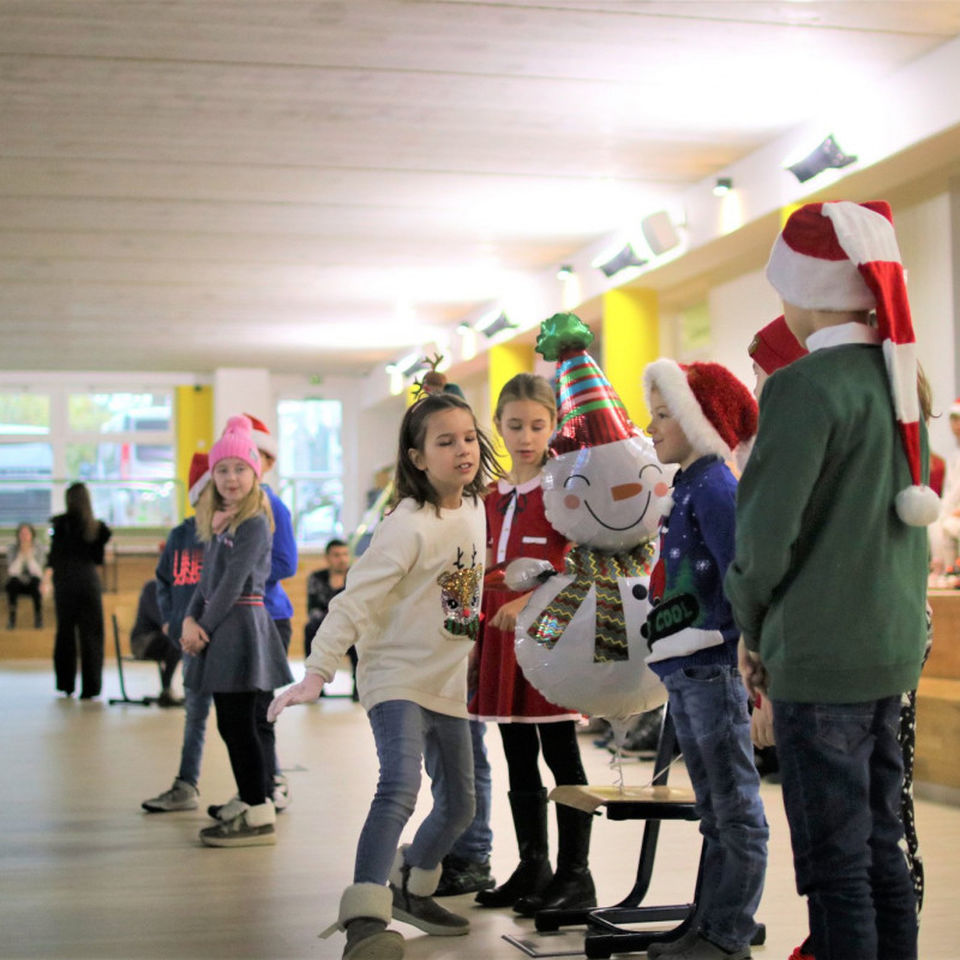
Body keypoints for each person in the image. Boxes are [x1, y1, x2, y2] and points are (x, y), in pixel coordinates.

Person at [726, 201, 934, 960]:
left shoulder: (803, 387)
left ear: (802, 289)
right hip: (888, 646)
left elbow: (765, 536)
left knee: (833, 864)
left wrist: (751, 626)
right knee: (881, 847)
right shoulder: (902, 379)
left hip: (819, 652)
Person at [268, 391, 499, 960]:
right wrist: (316, 672)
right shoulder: (405, 526)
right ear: (418, 458)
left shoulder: (477, 507)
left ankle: (412, 886)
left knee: (461, 806)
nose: (463, 449)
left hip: (447, 679)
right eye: (445, 441)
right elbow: (352, 601)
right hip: (394, 672)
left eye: (468, 437)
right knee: (399, 783)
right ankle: (365, 920)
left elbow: (462, 588)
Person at [641, 358, 768, 960]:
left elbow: (742, 575)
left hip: (713, 668)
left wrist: (750, 657)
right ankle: (710, 923)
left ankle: (727, 932)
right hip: (687, 669)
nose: (651, 426)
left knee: (734, 808)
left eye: (665, 414)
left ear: (700, 421)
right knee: (715, 809)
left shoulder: (715, 487)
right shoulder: (689, 485)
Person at [470, 372, 596, 916]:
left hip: (551, 635)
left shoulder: (565, 490)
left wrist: (530, 601)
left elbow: (582, 565)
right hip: (498, 637)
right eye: (515, 425)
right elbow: (472, 566)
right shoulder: (487, 497)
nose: (525, 436)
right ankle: (533, 865)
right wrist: (464, 629)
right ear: (498, 426)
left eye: (537, 425)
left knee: (561, 751)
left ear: (554, 426)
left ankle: (576, 875)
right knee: (516, 752)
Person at [181, 416, 293, 847]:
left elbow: (232, 584)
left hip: (242, 628)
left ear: (255, 472)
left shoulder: (255, 522)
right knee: (233, 724)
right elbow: (207, 579)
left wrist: (202, 628)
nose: (231, 478)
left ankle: (259, 811)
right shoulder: (221, 520)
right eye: (223, 469)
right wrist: (190, 619)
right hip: (221, 628)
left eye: (240, 469)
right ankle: (251, 800)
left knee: (241, 723)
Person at [141, 452, 211, 813]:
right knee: (194, 715)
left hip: (221, 642)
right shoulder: (180, 535)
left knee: (245, 721)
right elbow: (163, 581)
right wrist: (170, 620)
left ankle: (266, 784)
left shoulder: (227, 535)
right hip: (189, 644)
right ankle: (186, 784)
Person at [243, 413, 298, 811]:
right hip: (241, 621)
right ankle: (256, 786)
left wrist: (242, 580)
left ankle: (270, 784)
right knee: (244, 712)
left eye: (252, 457)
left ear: (267, 462)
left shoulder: (273, 506)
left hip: (270, 617)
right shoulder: (234, 508)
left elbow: (286, 563)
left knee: (260, 710)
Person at [44, 483, 111, 699]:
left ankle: (66, 684)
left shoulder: (60, 524)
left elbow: (53, 557)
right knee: (92, 635)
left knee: (65, 633)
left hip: (65, 583)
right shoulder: (96, 527)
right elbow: (98, 559)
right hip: (88, 582)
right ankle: (91, 687)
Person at [129, 578, 182, 706]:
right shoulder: (152, 588)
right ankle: (166, 690)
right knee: (175, 641)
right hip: (143, 641)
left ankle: (186, 691)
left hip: (161, 640)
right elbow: (163, 620)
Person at [928, 398, 960, 578]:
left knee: (947, 524)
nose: (957, 425)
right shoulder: (953, 456)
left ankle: (949, 569)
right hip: (951, 509)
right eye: (954, 419)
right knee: (934, 522)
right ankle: (942, 568)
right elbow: (949, 492)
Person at [5, 522, 45, 629]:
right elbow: (12, 572)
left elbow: (38, 572)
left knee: (36, 582)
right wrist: (21, 556)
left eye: (27, 534)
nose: (24, 537)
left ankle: (38, 618)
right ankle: (12, 619)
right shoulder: (13, 548)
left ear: (32, 535)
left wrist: (29, 556)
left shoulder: (39, 548)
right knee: (12, 582)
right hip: (17, 583)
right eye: (22, 534)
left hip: (33, 583)